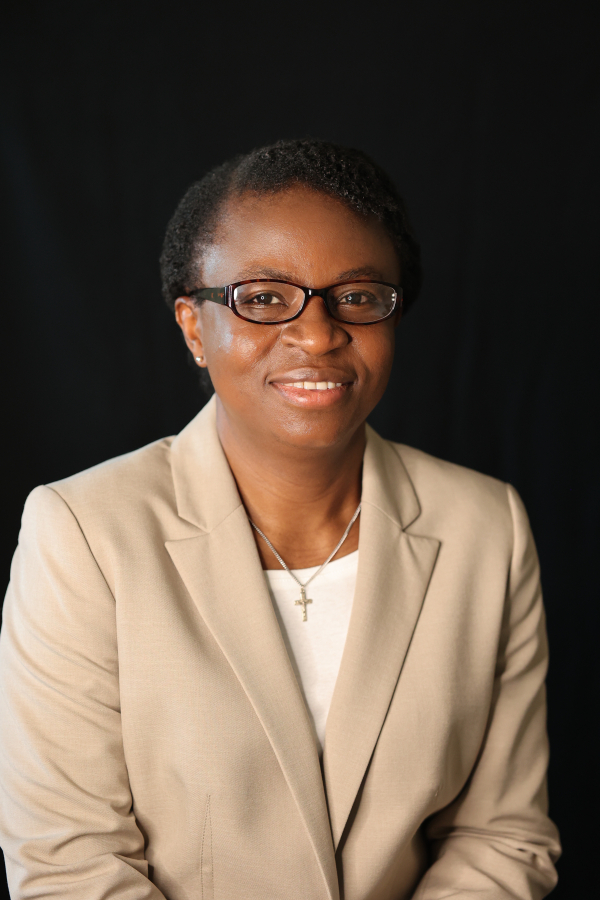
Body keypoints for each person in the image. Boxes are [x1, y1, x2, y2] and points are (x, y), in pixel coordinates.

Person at [0, 139, 560, 899]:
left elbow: (501, 834)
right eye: (263, 298)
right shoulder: (83, 532)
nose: (319, 333)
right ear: (194, 329)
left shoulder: (486, 528)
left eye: (357, 296)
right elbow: (70, 862)